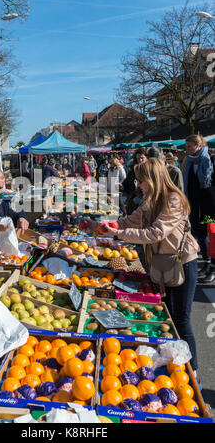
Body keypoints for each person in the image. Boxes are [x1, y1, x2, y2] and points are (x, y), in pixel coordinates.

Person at [94, 158, 200, 375]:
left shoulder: (173, 200)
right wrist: (109, 226)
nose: (138, 185)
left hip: (182, 263)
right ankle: (174, 361)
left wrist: (119, 233)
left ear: (152, 179)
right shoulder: (150, 200)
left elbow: (155, 233)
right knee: (169, 315)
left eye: (141, 181)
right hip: (164, 262)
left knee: (181, 318)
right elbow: (131, 221)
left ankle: (193, 371)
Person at [183, 135, 214, 281]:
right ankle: (207, 264)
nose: (187, 149)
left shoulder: (209, 159)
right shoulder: (189, 161)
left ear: (199, 145)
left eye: (190, 146)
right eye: (186, 146)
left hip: (209, 204)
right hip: (194, 203)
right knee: (200, 234)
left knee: (211, 236)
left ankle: (213, 268)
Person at [122, 148, 147, 215]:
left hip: (145, 201)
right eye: (138, 158)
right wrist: (122, 186)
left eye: (142, 158)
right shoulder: (133, 170)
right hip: (133, 200)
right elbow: (127, 182)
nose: (140, 160)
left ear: (146, 157)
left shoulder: (150, 171)